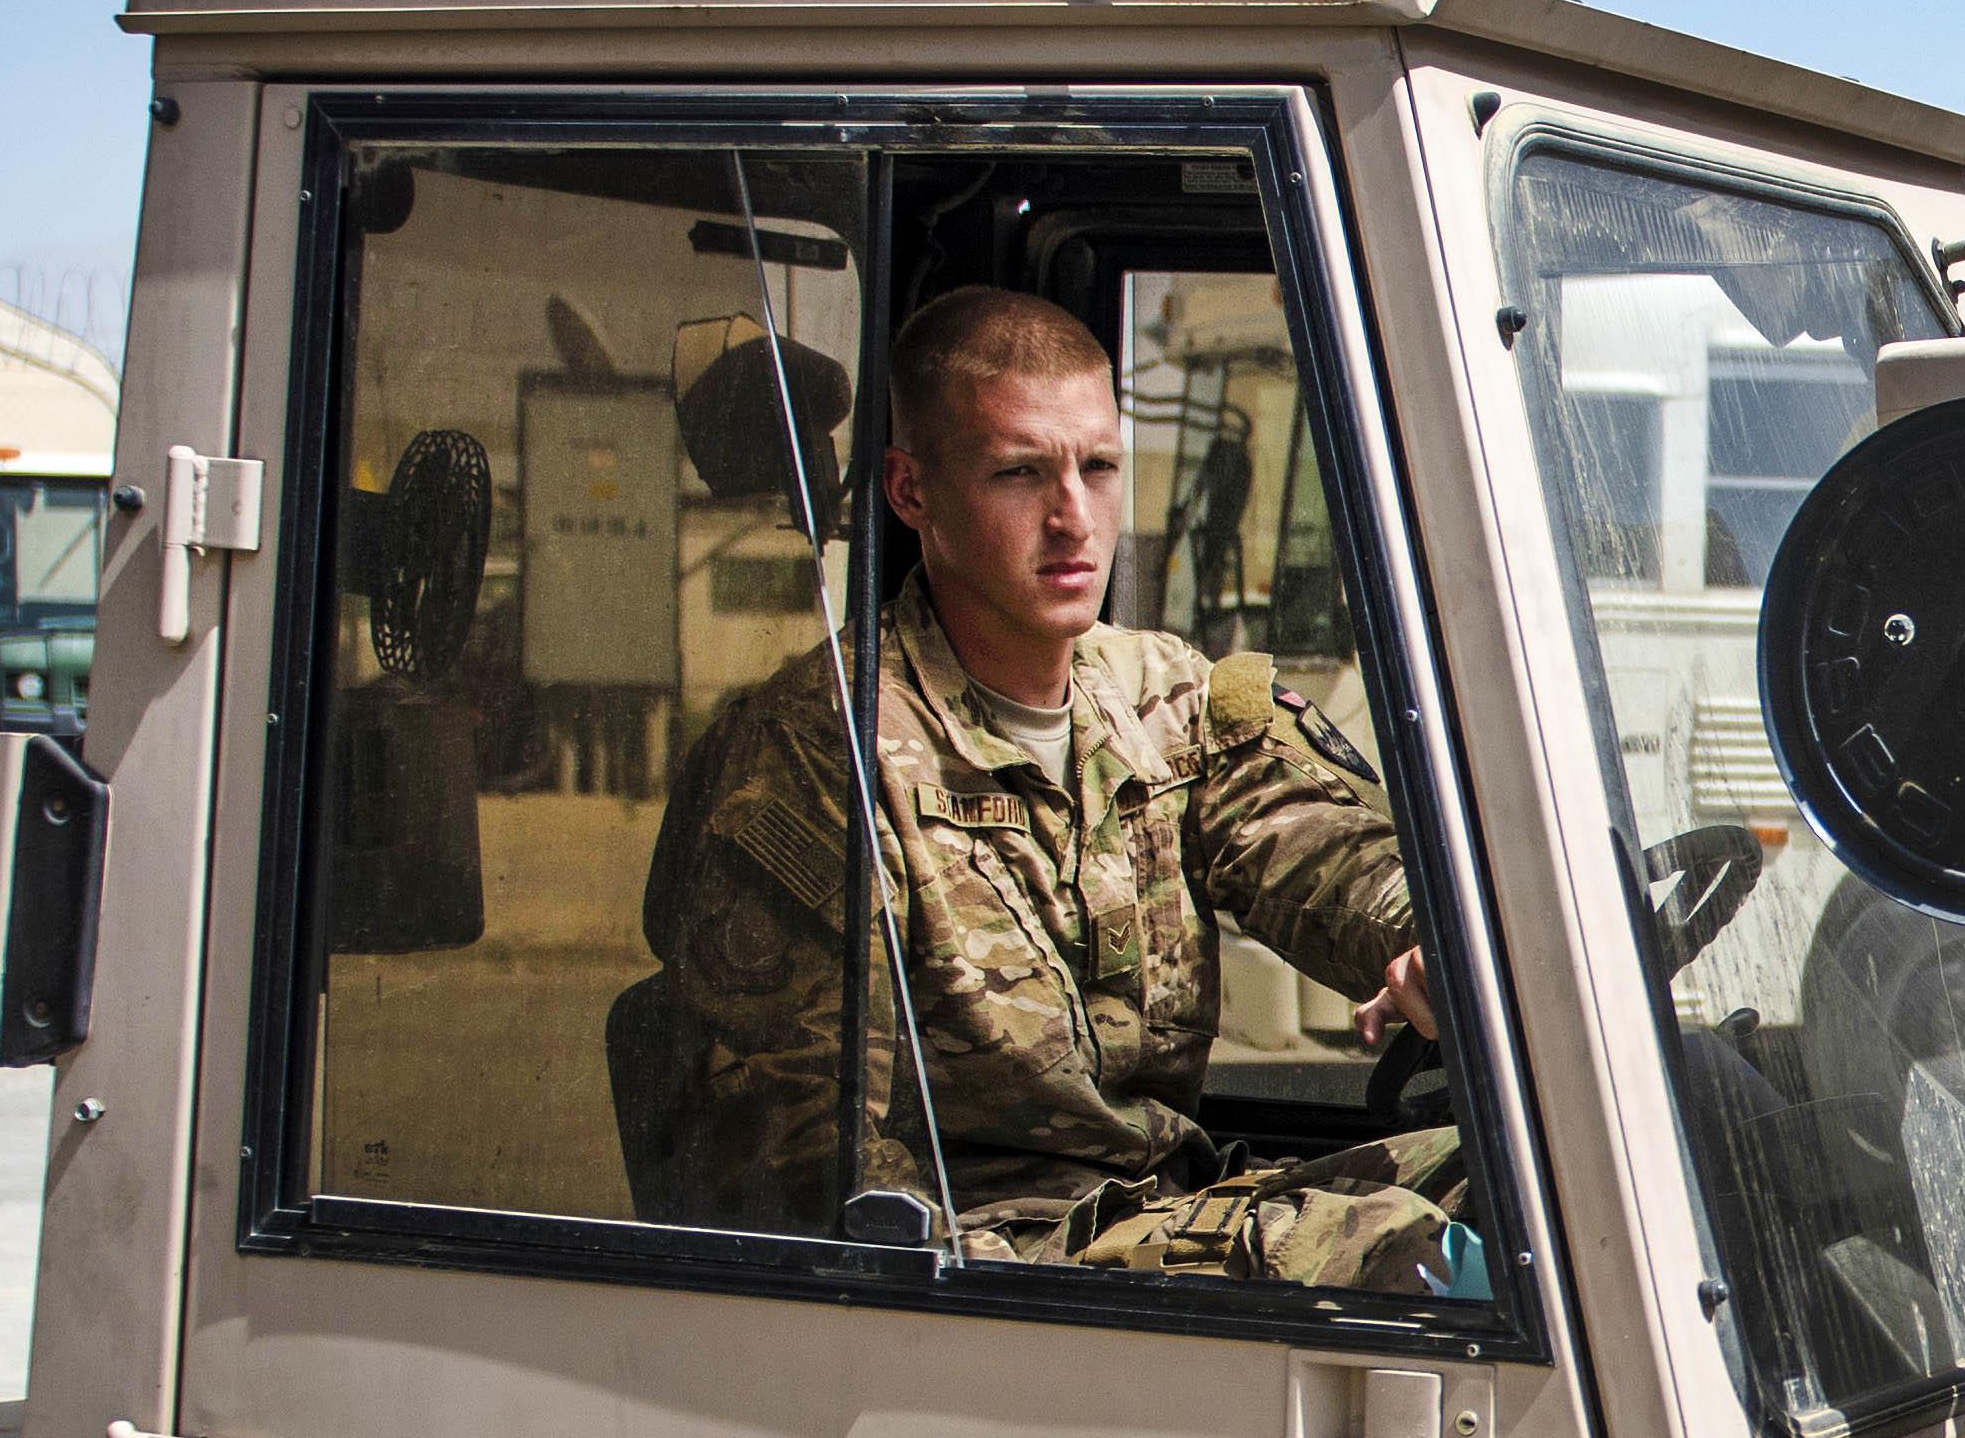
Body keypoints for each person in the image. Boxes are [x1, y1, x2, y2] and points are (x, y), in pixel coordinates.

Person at [627, 285, 1467, 1283]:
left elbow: (1316, 846)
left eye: (1098, 467)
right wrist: (999, 1308)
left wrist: (1431, 942)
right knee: (1405, 1254)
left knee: (1524, 1181)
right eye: (1020, 473)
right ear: (911, 491)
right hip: (1002, 1263)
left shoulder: (1163, 694)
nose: (1074, 518)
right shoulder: (820, 755)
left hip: (1166, 1206)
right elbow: (812, 1160)